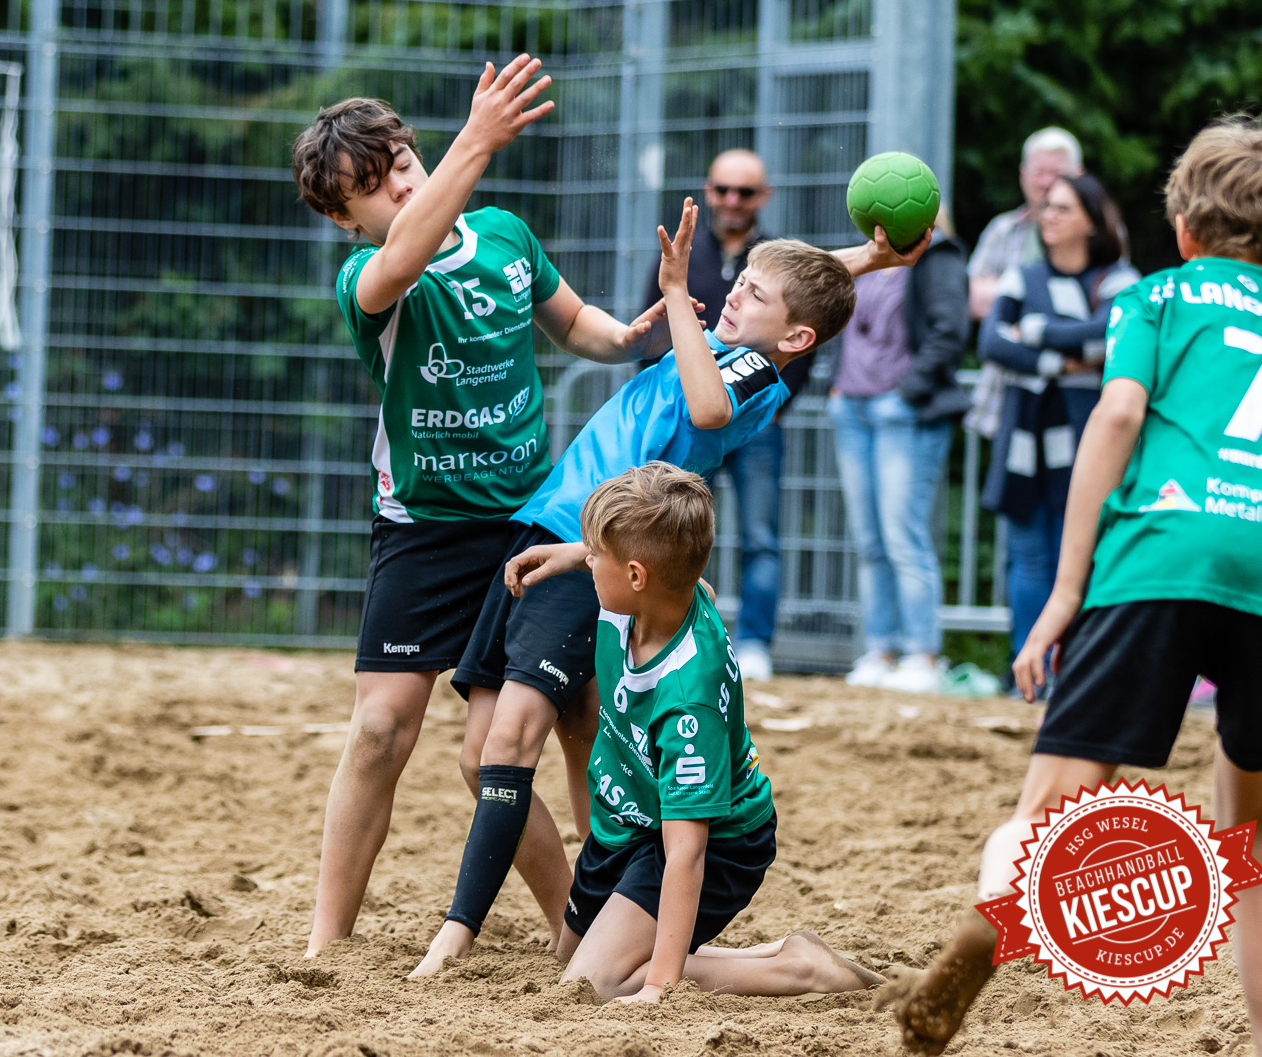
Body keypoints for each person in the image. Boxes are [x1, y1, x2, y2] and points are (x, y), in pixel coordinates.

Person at [407, 198, 927, 976]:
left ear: (788, 338)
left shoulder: (747, 369)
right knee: (522, 745)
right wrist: (865, 257)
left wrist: (681, 293)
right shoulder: (739, 340)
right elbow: (792, 290)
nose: (737, 292)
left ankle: (464, 934)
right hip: (552, 525)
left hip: (598, 543)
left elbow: (715, 396)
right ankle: (583, 926)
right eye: (738, 281)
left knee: (502, 753)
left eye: (750, 293)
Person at [895, 117, 1262, 1057]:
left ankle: (991, 927)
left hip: (1159, 550)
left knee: (1046, 815)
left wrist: (1068, 591)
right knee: (1260, 837)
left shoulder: (1158, 296)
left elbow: (1116, 413)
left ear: (1186, 225)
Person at [292, 57, 685, 958]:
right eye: (372, 186)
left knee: (566, 726)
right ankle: (325, 941)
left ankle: (580, 924)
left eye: (401, 162)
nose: (398, 182)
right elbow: (403, 255)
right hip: (422, 534)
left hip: (530, 525)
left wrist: (624, 336)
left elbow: (570, 319)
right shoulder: (370, 280)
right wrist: (478, 138)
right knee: (384, 728)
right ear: (342, 217)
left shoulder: (505, 234)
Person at [511, 464, 884, 1001]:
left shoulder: (688, 699)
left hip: (716, 839)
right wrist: (576, 553)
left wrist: (661, 988)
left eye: (595, 554)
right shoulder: (661, 594)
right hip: (635, 822)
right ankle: (767, 955)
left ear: (636, 575)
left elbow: (687, 854)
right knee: (573, 955)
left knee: (596, 982)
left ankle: (804, 972)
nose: (587, 561)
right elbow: (672, 570)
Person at [640, 149, 812, 683]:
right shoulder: (681, 254)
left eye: (745, 192)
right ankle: (681, 636)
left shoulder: (779, 261)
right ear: (709, 192)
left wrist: (774, 407)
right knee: (678, 531)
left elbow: (806, 341)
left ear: (765, 197)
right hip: (691, 425)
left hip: (757, 424)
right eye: (723, 190)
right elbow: (655, 332)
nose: (732, 201)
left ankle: (755, 644)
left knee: (760, 535)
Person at [977, 173, 1138, 664]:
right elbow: (990, 343)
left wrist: (1036, 329)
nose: (1048, 216)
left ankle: (1078, 671)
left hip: (1088, 440)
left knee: (1083, 562)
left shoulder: (1118, 279)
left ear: (1091, 221)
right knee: (1029, 560)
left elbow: (1111, 332)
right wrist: (1060, 361)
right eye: (1047, 207)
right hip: (1025, 440)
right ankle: (1028, 671)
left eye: (1063, 208)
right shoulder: (1022, 276)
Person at [829, 208, 971, 693]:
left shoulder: (940, 256)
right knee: (869, 540)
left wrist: (907, 392)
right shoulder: (863, 258)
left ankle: (922, 655)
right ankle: (881, 650)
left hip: (904, 412)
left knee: (902, 535)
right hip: (852, 409)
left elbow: (950, 330)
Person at [967, 128, 1083, 322]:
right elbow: (973, 298)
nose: (1046, 182)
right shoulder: (1002, 229)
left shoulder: (1096, 229)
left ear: (1079, 176)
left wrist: (1007, 294)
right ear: (1023, 175)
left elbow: (1108, 304)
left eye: (1057, 173)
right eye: (1039, 172)